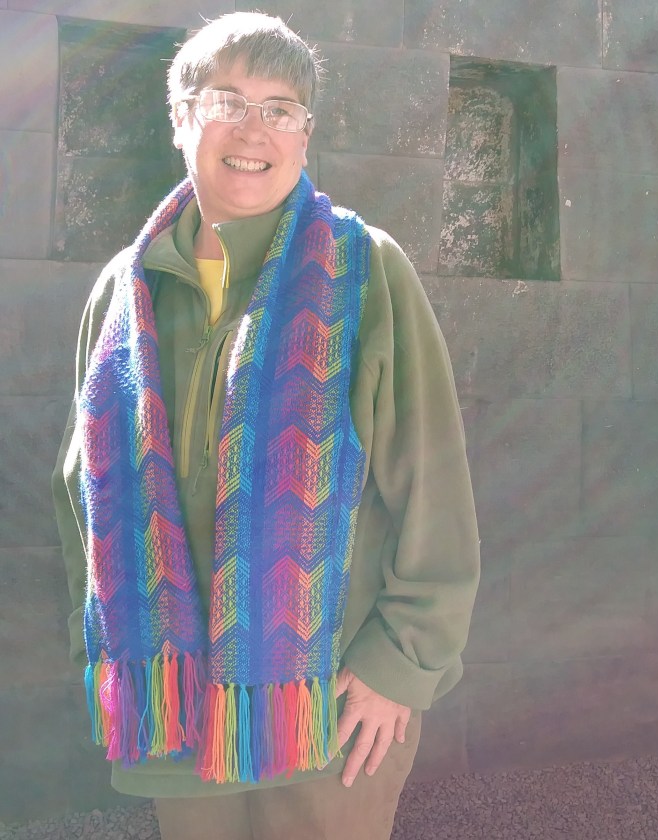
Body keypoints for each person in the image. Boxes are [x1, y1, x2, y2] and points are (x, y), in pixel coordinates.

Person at [52, 12, 479, 840]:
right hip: (172, 708)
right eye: (227, 102)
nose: (255, 131)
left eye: (281, 108)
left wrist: (401, 664)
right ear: (180, 118)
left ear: (305, 134)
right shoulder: (124, 293)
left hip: (327, 709)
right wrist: (98, 642)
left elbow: (432, 483)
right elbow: (79, 493)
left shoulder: (365, 269)